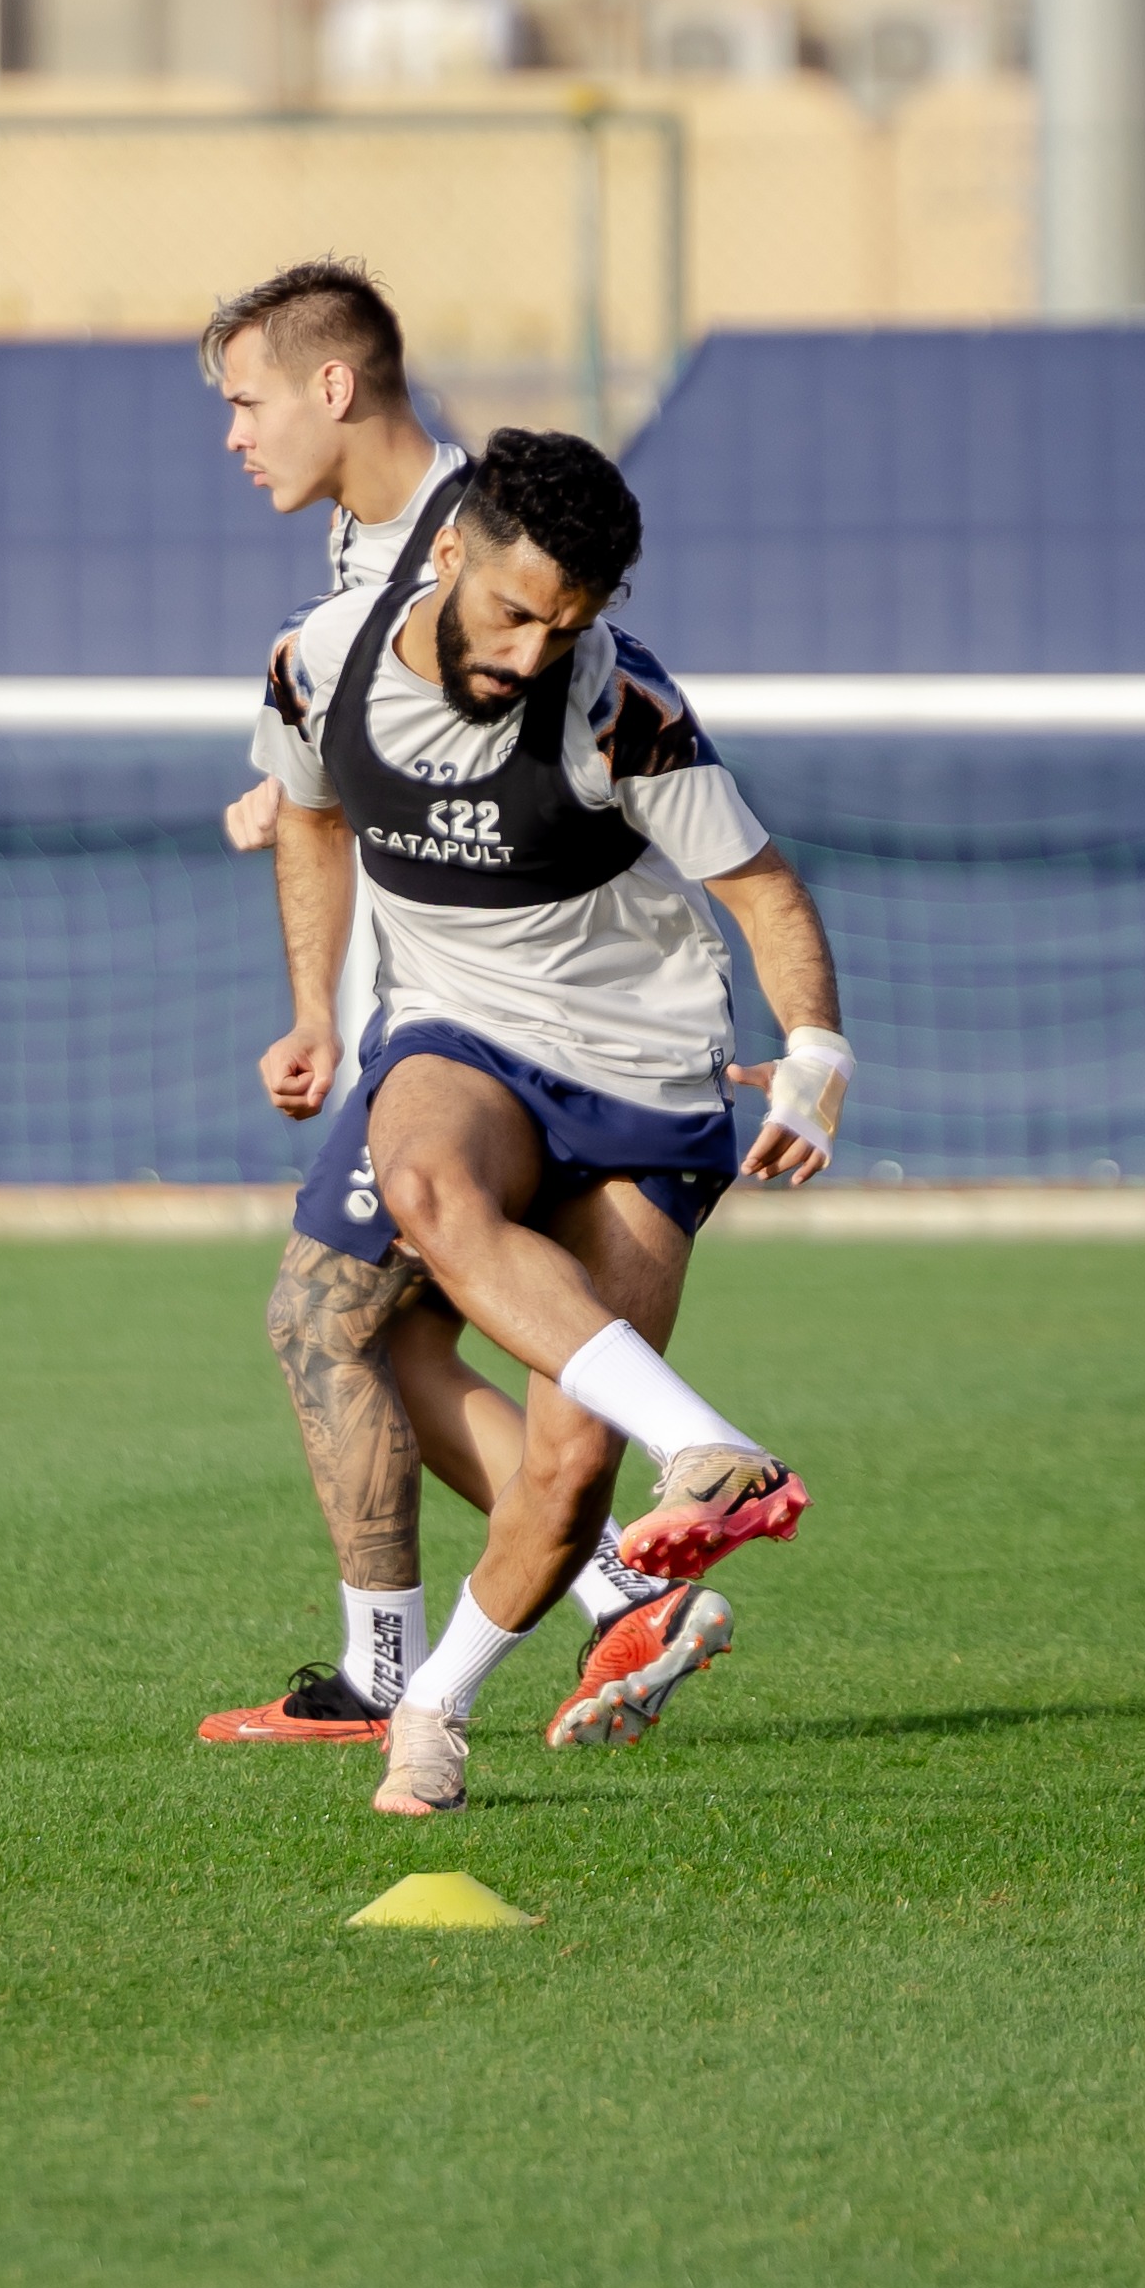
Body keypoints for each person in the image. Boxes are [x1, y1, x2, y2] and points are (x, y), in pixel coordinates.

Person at [252, 419, 848, 1818]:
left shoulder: (616, 704)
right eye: (514, 613)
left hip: (646, 1065)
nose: (531, 653)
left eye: (565, 625)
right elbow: (309, 814)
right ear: (448, 552)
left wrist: (816, 1054)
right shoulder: (319, 663)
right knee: (416, 1199)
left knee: (573, 1463)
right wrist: (314, 1008)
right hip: (461, 1033)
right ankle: (706, 1451)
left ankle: (434, 1706)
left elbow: (761, 889)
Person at [192, 263, 746, 1758]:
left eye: (245, 401)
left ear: (330, 387)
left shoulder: (469, 542)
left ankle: (481, 1635)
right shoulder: (364, 552)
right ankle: (608, 1588)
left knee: (331, 1321)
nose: (233, 434)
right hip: (439, 1022)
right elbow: (355, 773)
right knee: (349, 1328)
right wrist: (310, 957)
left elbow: (577, 764)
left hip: (518, 1038)